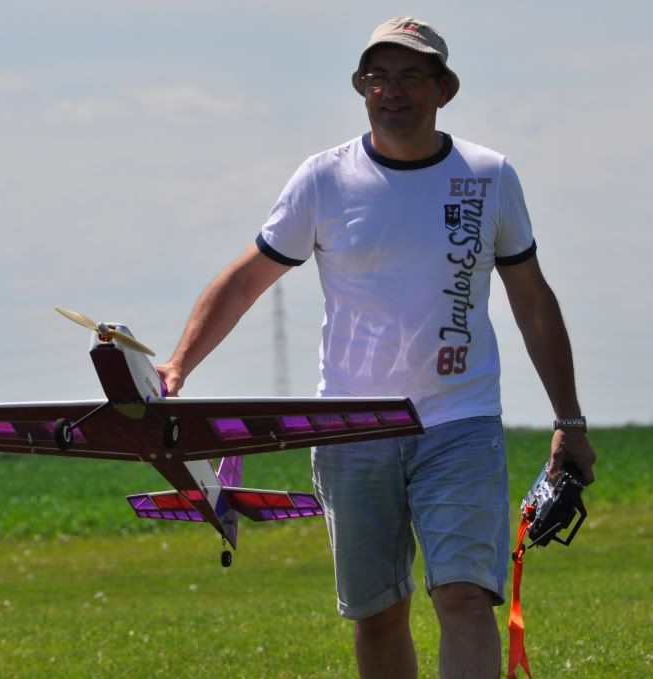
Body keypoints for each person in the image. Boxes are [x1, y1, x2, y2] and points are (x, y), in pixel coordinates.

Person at [156, 16, 597, 679]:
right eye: (377, 78)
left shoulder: (489, 176)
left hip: (460, 422)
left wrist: (569, 419)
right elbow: (247, 279)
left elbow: (532, 300)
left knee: (464, 595)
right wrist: (178, 364)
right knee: (378, 613)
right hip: (351, 427)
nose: (391, 92)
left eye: (410, 76)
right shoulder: (323, 179)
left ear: (443, 89)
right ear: (361, 88)